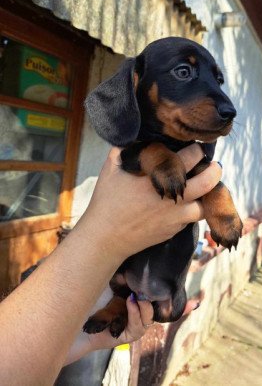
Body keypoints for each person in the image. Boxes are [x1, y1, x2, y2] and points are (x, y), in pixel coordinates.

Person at [0, 143, 222, 386]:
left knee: (151, 301)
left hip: (157, 282)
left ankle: (118, 307)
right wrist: (105, 234)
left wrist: (84, 341)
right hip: (129, 277)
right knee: (123, 286)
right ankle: (117, 306)